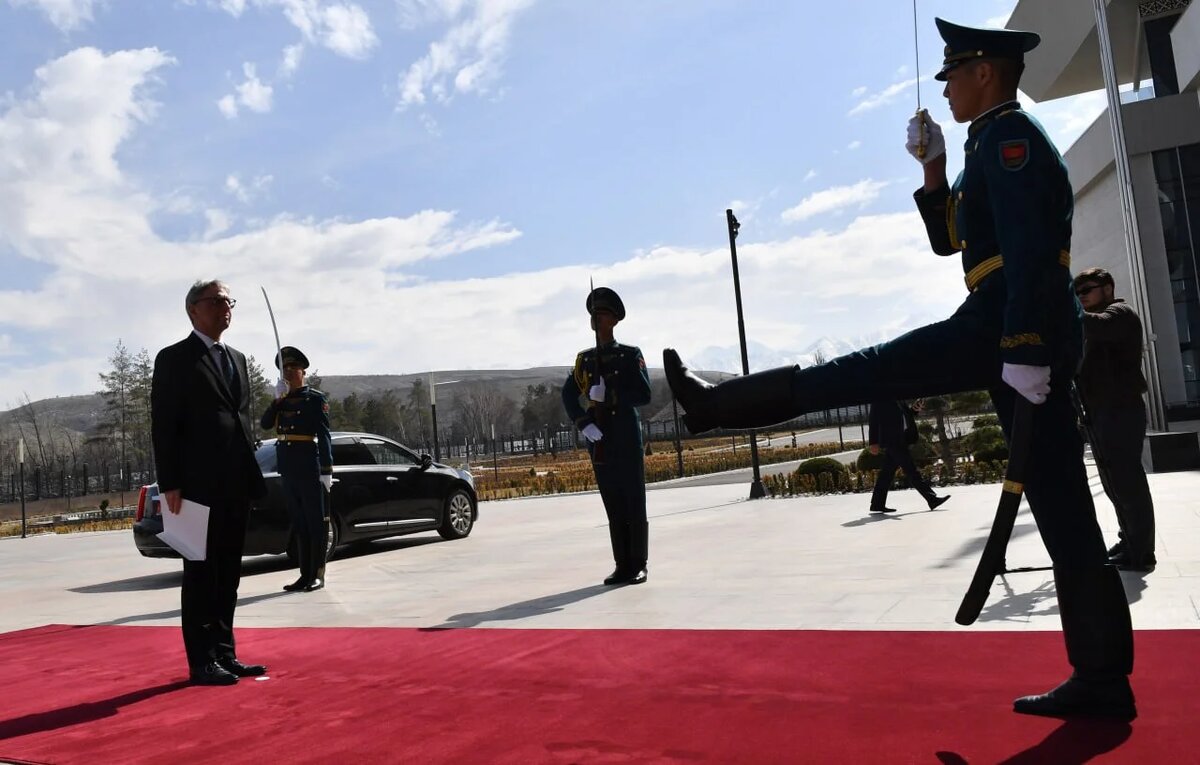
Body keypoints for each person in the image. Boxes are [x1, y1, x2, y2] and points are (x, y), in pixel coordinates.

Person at [662, 18, 1136, 720]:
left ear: (985, 73)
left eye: (953, 75)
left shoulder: (1012, 141)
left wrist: (1029, 345)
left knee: (872, 370)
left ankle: (714, 405)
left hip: (1008, 320)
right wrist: (934, 170)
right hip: (1003, 320)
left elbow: (1033, 254)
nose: (943, 88)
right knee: (1062, 508)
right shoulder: (988, 145)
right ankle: (1102, 678)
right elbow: (954, 242)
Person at [151, 280, 268, 686]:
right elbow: (164, 424)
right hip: (196, 485)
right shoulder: (174, 359)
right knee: (201, 572)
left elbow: (239, 419)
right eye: (217, 301)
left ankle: (225, 653)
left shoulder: (235, 357)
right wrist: (171, 482)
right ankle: (201, 660)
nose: (226, 307)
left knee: (229, 573)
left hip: (236, 480)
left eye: (229, 301)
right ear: (193, 310)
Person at [561, 287, 653, 585]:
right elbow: (568, 394)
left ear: (614, 320)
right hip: (600, 440)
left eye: (601, 314)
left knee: (633, 501)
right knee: (612, 501)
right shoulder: (584, 360)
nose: (595, 319)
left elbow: (643, 393)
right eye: (593, 314)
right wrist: (583, 422)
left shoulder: (629, 355)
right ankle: (621, 563)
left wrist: (610, 395)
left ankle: (638, 563)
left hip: (626, 437)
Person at [1074, 267, 1157, 572]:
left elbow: (1098, 326)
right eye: (1076, 293)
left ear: (1108, 287)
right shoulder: (1091, 325)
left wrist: (1059, 301)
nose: (1081, 297)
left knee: (1128, 483)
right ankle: (1130, 539)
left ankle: (1142, 551)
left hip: (1121, 410)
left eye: (1086, 290)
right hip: (1101, 413)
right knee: (1115, 485)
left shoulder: (1119, 312)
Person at [260, 346, 334, 592]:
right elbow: (266, 424)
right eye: (285, 370)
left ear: (303, 372)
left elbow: (323, 436)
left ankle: (317, 575)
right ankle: (304, 574)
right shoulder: (282, 400)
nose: (289, 373)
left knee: (315, 523)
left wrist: (326, 469)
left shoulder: (315, 399)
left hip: (308, 466)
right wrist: (277, 401)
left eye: (294, 369)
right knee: (299, 524)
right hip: (288, 468)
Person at [867, 399, 950, 513]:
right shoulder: (879, 399)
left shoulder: (899, 398)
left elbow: (905, 416)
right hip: (892, 440)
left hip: (901, 438)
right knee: (911, 470)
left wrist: (914, 410)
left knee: (886, 473)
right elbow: (873, 420)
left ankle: (877, 504)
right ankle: (931, 499)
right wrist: (873, 442)